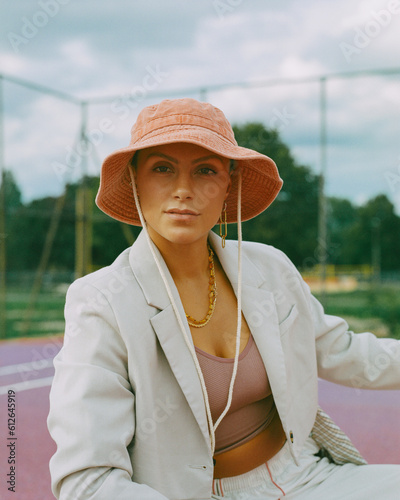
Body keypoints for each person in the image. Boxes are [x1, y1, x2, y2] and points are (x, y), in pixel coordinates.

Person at [48, 98, 400, 500]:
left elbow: (345, 351)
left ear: (227, 184)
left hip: (307, 475)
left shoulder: (271, 268)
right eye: (162, 168)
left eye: (205, 171)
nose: (184, 190)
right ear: (135, 181)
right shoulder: (101, 301)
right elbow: (86, 481)